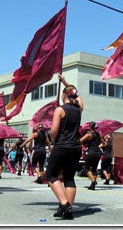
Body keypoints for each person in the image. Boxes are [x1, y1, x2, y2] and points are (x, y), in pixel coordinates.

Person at [46, 74, 83, 220]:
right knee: (69, 178)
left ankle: (64, 203)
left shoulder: (60, 110)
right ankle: (69, 211)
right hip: (76, 147)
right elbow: (77, 95)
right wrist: (66, 83)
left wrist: (53, 139)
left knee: (50, 175)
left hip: (62, 145)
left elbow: (54, 130)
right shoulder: (78, 109)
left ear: (64, 95)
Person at [80, 121, 102, 190]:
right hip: (98, 153)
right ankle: (92, 186)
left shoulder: (89, 134)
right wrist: (98, 146)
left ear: (90, 127)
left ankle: (93, 180)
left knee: (86, 168)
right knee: (94, 169)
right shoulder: (99, 134)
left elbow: (80, 140)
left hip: (91, 152)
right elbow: (104, 143)